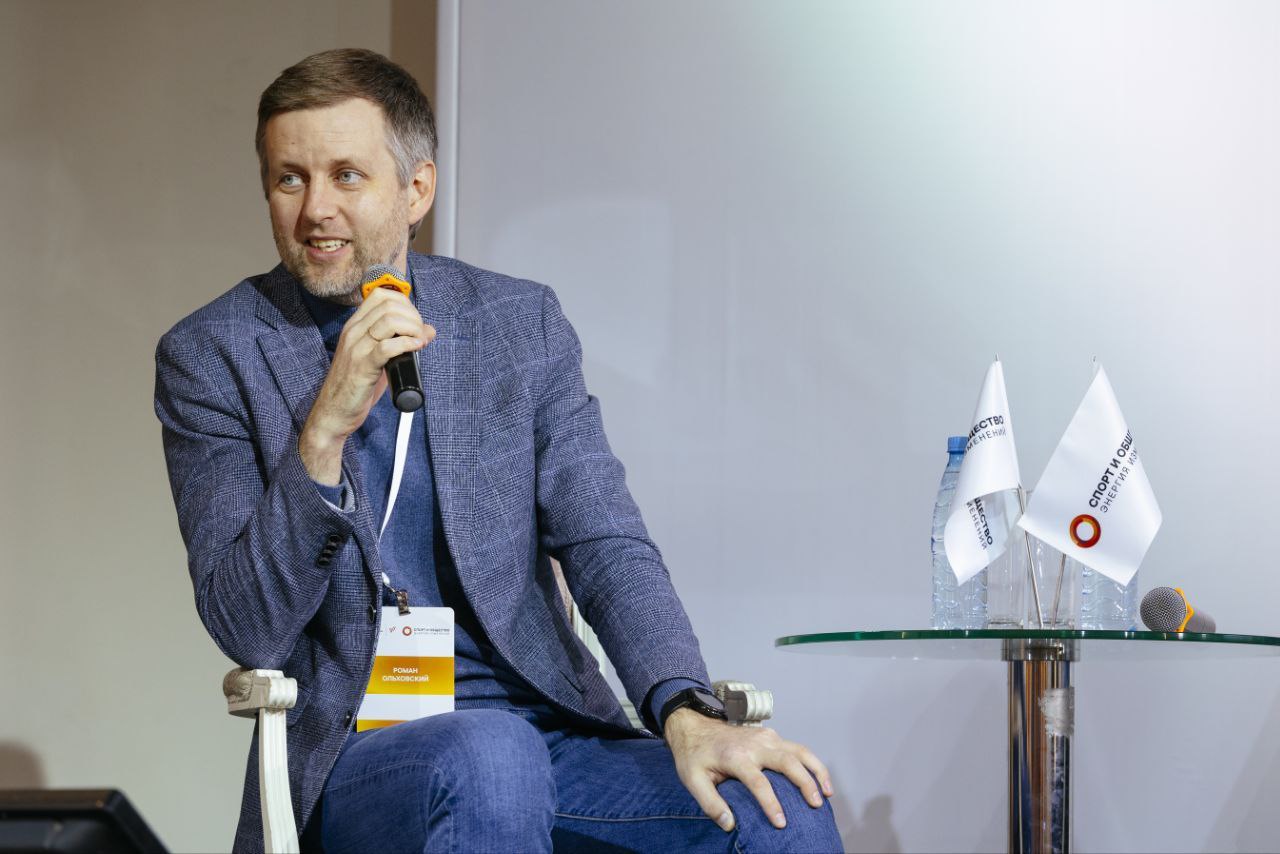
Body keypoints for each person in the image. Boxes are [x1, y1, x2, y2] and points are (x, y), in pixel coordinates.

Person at [155, 48, 841, 853]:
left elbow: (605, 540)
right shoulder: (214, 354)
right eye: (289, 179)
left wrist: (684, 708)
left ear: (417, 189)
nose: (315, 210)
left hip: (549, 732)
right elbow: (247, 627)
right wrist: (323, 432)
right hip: (359, 754)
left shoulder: (516, 325)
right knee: (489, 754)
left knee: (781, 806)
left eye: (347, 176)